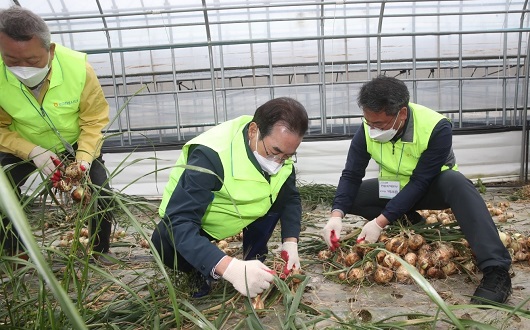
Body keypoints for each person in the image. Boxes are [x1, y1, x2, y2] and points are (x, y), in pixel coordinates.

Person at [322, 75, 512, 305]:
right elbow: (351, 174)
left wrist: (380, 221)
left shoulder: (435, 127)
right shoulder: (367, 128)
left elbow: (420, 181)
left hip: (432, 187)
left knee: (458, 183)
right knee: (351, 196)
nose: (372, 129)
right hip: (395, 188)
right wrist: (336, 215)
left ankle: (496, 270)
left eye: (379, 124)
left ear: (401, 114)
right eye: (368, 122)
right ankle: (411, 221)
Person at [151, 97, 308, 298]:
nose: (278, 162)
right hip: (204, 223)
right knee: (163, 242)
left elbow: (291, 197)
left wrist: (290, 242)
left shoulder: (281, 154)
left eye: (287, 156)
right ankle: (200, 272)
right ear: (254, 131)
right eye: (275, 152)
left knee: (276, 200)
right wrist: (229, 267)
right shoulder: (211, 156)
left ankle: (255, 259)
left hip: (250, 212)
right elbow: (179, 222)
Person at [0, 6, 114, 264]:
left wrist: (83, 159)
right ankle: (15, 251)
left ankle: (99, 250)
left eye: (31, 61)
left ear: (50, 50)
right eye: (11, 60)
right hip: (24, 142)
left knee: (101, 192)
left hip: (73, 142)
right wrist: (32, 151)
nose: (22, 68)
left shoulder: (78, 69)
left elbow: (93, 120)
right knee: (2, 190)